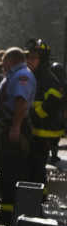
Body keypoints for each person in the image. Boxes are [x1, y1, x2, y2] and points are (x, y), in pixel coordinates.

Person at [0, 47, 36, 224]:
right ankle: (8, 209)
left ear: (11, 60)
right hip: (8, 126)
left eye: (4, 61)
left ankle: (9, 215)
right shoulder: (14, 74)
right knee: (6, 170)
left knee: (11, 171)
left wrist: (15, 128)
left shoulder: (22, 76)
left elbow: (20, 102)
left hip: (13, 127)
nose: (1, 65)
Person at [24, 38, 64, 191]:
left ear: (43, 59)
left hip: (42, 130)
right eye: (28, 57)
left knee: (37, 164)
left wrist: (34, 115)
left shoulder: (48, 78)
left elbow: (53, 102)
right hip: (34, 128)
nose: (29, 61)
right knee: (32, 164)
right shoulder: (34, 75)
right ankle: (34, 195)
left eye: (33, 58)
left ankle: (39, 196)